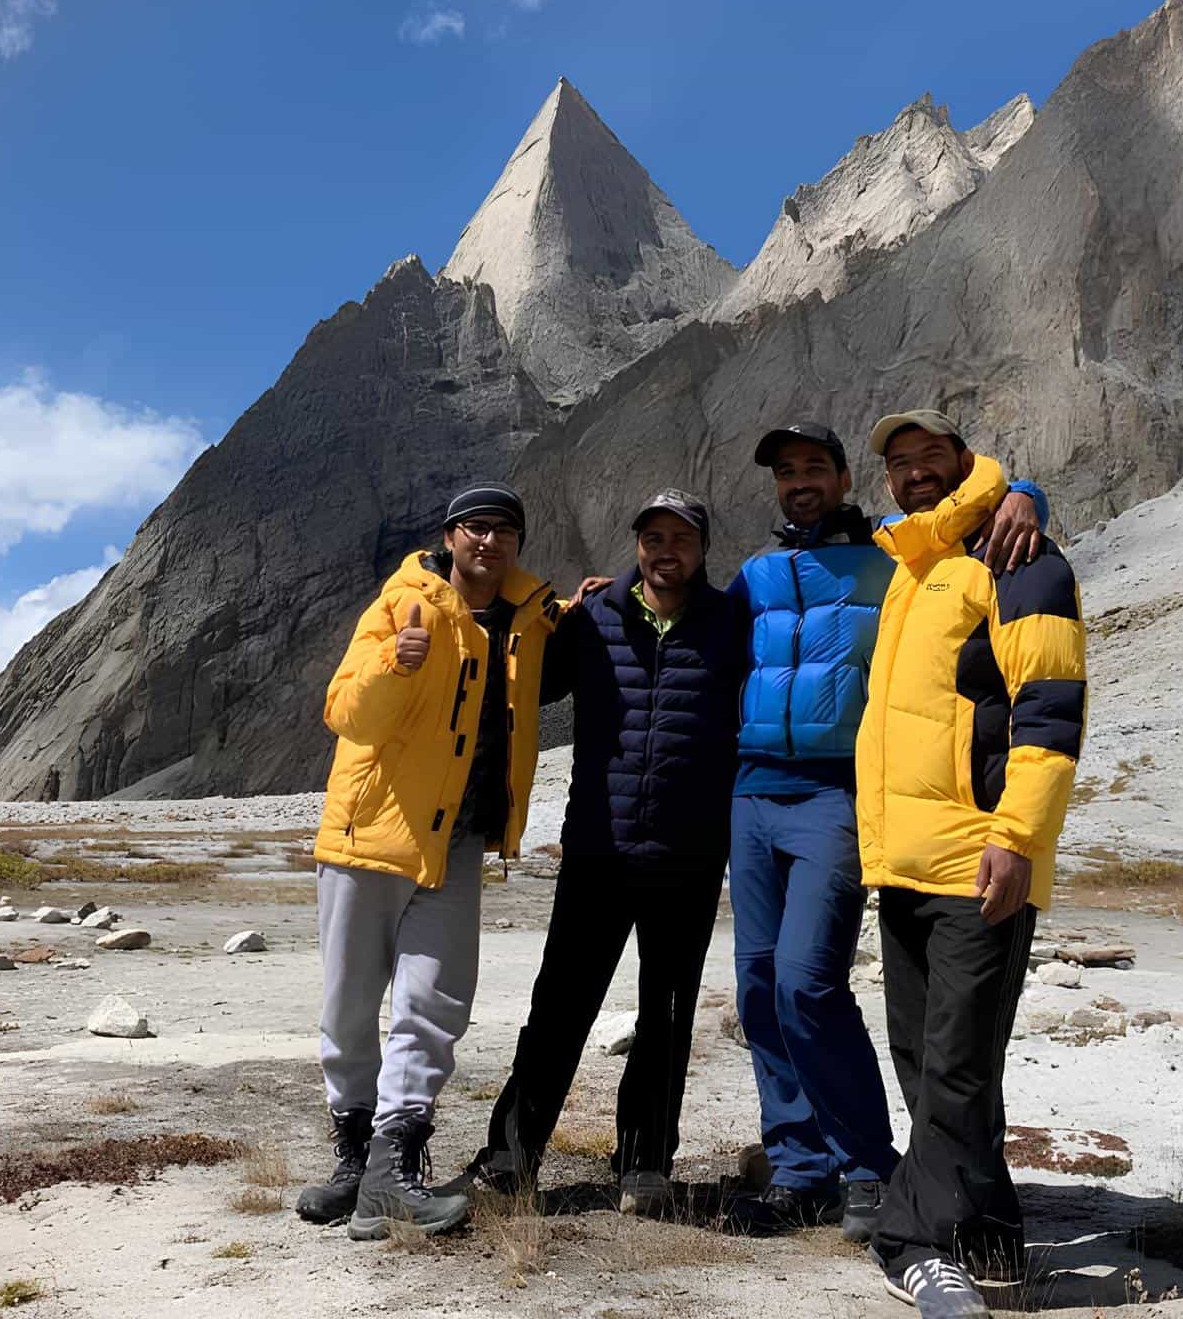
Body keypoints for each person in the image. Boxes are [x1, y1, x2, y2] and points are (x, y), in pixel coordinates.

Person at [725, 422, 1049, 1241]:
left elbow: (972, 540)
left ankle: (869, 1164)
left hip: (838, 793)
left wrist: (1027, 495)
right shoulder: (756, 575)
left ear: (841, 478)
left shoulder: (893, 555)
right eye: (786, 472)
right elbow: (690, 632)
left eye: (814, 469)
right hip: (755, 789)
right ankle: (800, 1167)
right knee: (760, 986)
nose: (800, 482)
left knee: (806, 980)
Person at [294, 483, 573, 1240]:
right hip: (371, 836)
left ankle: (392, 1172)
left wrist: (585, 606)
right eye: (476, 529)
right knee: (351, 1005)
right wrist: (395, 661)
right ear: (449, 537)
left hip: (459, 843)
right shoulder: (399, 606)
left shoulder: (528, 617)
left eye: (504, 532)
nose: (490, 542)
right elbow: (345, 712)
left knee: (434, 1007)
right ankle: (353, 1162)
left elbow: (561, 648)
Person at [852, 410, 1085, 1318]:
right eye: (899, 464)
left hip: (978, 861)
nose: (912, 474)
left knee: (955, 1062)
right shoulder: (913, 570)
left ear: (965, 464)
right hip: (905, 864)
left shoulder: (1021, 559)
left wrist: (1018, 838)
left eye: (929, 458)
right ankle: (989, 1232)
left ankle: (911, 1242)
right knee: (924, 1059)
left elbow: (1050, 710)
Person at [464, 489, 748, 1216]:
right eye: (652, 536)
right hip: (598, 848)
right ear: (636, 545)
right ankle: (509, 1160)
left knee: (670, 1012)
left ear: (701, 549)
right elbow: (527, 679)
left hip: (688, 854)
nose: (664, 550)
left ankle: (646, 1163)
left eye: (679, 538)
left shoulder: (730, 624)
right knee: (558, 1007)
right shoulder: (594, 618)